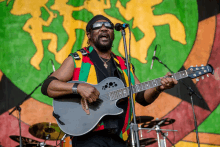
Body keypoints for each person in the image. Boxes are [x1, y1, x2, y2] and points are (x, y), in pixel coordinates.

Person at [41, 15, 178, 147]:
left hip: (119, 138)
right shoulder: (78, 60)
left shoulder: (124, 65)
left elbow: (142, 97)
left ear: (113, 34)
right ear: (89, 35)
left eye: (108, 26)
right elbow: (48, 86)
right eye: (97, 26)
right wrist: (78, 88)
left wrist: (159, 87)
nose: (103, 28)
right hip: (87, 137)